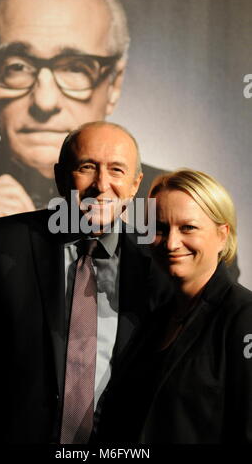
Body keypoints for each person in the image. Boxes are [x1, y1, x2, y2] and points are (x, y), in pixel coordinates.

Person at [0, 121, 171, 443]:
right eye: (87, 167)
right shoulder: (3, 244)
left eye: (117, 170)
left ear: (136, 184)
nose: (101, 184)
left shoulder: (157, 263)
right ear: (60, 176)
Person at [0, 0, 164, 297]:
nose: (44, 101)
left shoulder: (174, 205)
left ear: (114, 83)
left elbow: (210, 323)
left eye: (76, 67)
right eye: (17, 66)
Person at [94, 168, 252, 444]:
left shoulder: (244, 316)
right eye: (159, 229)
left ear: (222, 235)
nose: (171, 243)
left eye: (188, 227)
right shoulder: (154, 319)